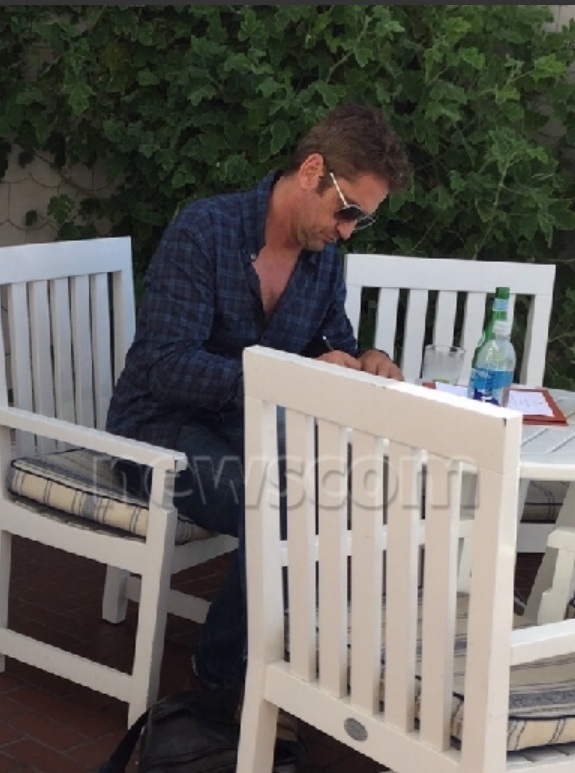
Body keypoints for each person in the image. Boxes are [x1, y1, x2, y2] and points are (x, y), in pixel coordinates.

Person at [106, 102, 412, 691]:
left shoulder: (323, 262)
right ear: (312, 170)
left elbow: (333, 342)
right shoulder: (206, 231)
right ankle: (223, 684)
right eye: (347, 210)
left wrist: (369, 359)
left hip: (249, 429)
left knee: (349, 491)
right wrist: (286, 377)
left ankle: (298, 665)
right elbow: (167, 366)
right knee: (281, 508)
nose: (347, 230)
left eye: (361, 221)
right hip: (157, 431)